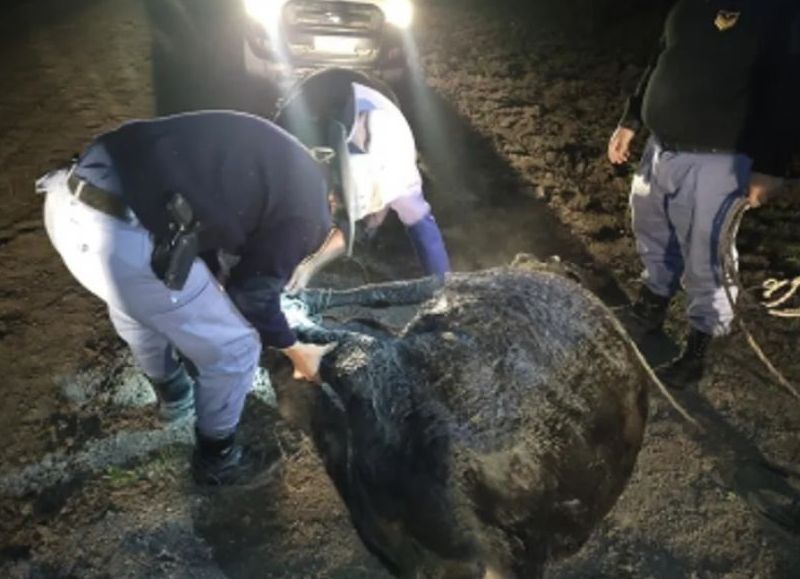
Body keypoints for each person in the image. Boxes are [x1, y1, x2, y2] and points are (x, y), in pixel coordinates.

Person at [40, 110, 336, 485]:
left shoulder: (279, 155)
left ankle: (175, 396)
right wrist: (294, 349)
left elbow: (216, 229)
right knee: (236, 347)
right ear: (336, 200)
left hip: (68, 201)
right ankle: (218, 460)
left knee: (138, 309)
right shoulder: (310, 214)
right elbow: (251, 294)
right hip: (121, 239)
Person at [608, 0, 800, 389]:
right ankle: (651, 305)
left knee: (706, 254)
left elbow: (787, 87)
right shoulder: (687, 6)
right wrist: (631, 121)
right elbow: (660, 59)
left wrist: (771, 165)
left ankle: (699, 344)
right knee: (651, 229)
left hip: (720, 159)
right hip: (660, 149)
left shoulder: (776, 13)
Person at [274, 68, 451, 291]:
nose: (335, 200)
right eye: (336, 198)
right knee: (282, 170)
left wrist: (443, 290)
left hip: (376, 101)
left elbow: (429, 241)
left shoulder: (403, 185)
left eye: (338, 198)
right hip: (320, 91)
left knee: (360, 225)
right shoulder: (306, 119)